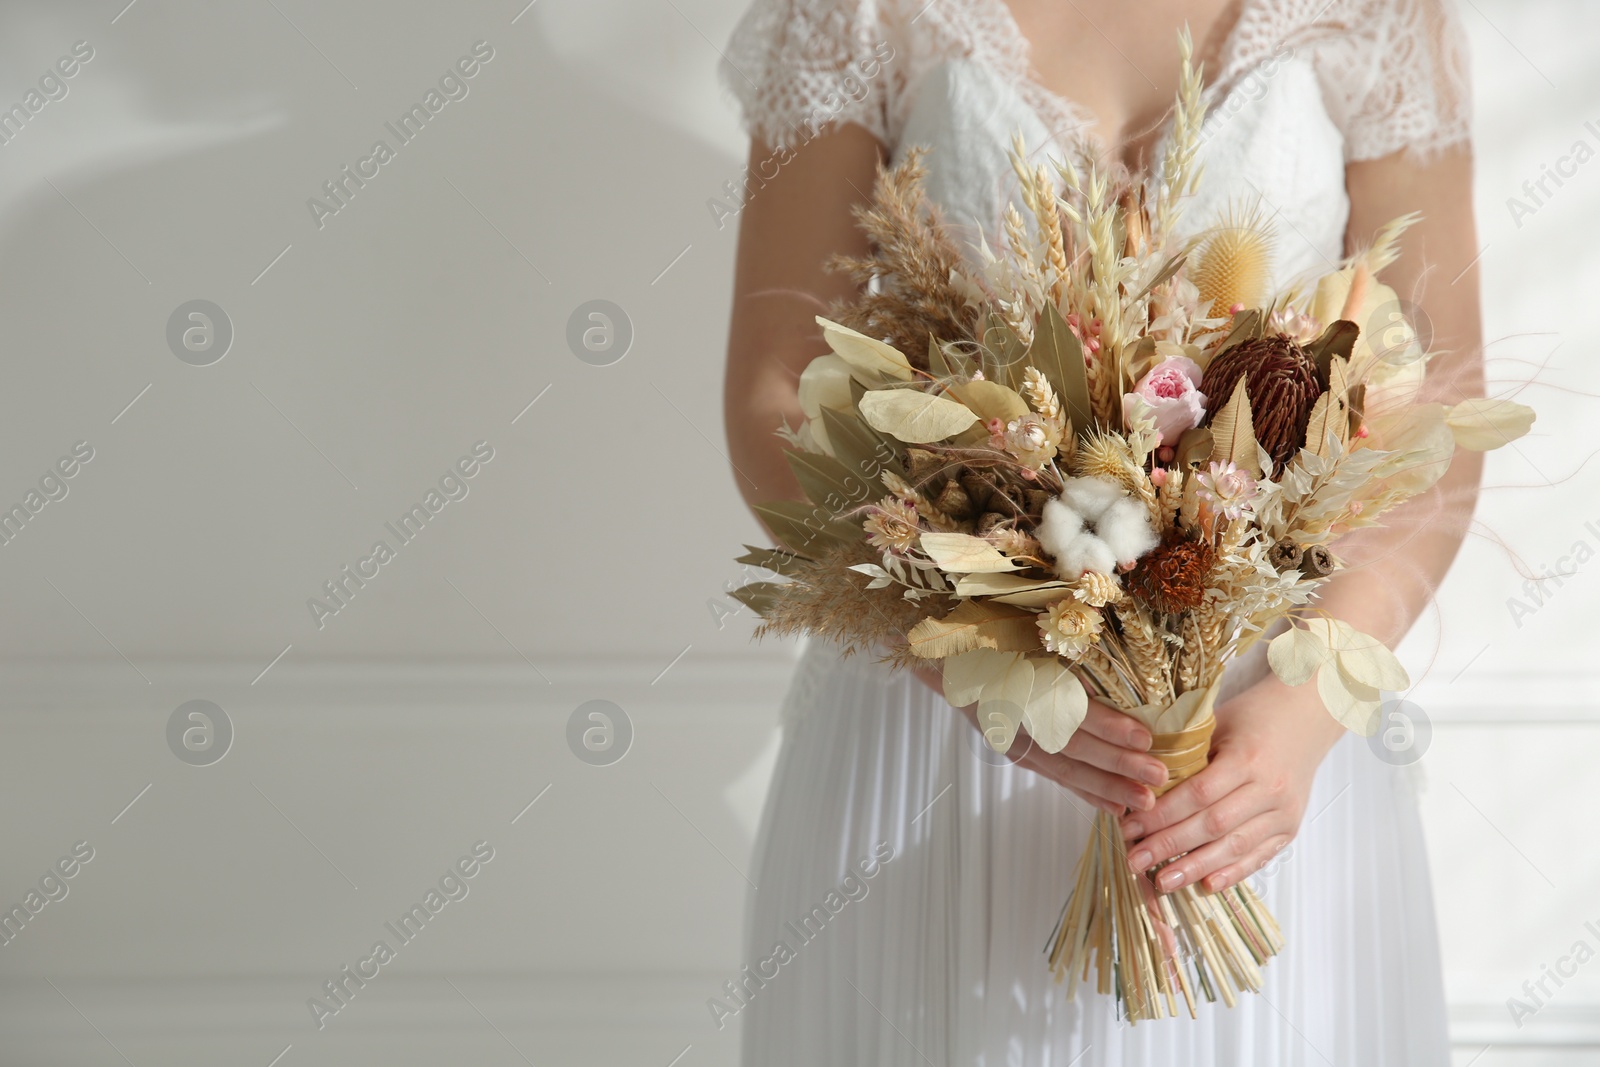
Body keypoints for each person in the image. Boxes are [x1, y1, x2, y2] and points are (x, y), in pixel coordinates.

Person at [720, 1, 1482, 1062]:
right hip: (937, 719)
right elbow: (775, 386)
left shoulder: (1378, 14)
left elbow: (1435, 407)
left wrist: (1303, 714)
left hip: (1256, 749)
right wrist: (984, 666)